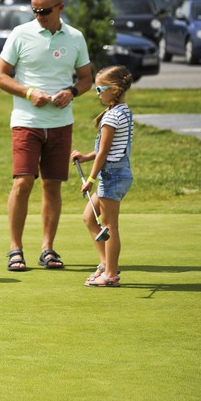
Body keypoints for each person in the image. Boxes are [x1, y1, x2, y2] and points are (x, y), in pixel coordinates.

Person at [0, 0, 93, 271]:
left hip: (61, 123)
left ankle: (47, 249)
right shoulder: (20, 34)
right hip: (27, 122)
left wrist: (71, 93)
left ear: (60, 7)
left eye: (45, 11)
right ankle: (15, 249)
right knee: (23, 182)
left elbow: (86, 78)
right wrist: (28, 92)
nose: (39, 16)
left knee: (52, 185)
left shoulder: (75, 37)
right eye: (35, 11)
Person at [71, 65, 134, 287]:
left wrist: (90, 179)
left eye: (100, 89)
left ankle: (111, 274)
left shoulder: (113, 117)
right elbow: (102, 151)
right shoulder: (121, 110)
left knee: (109, 227)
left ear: (114, 89)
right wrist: (86, 156)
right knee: (89, 217)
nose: (97, 93)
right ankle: (105, 263)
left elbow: (105, 154)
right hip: (115, 174)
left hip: (113, 175)